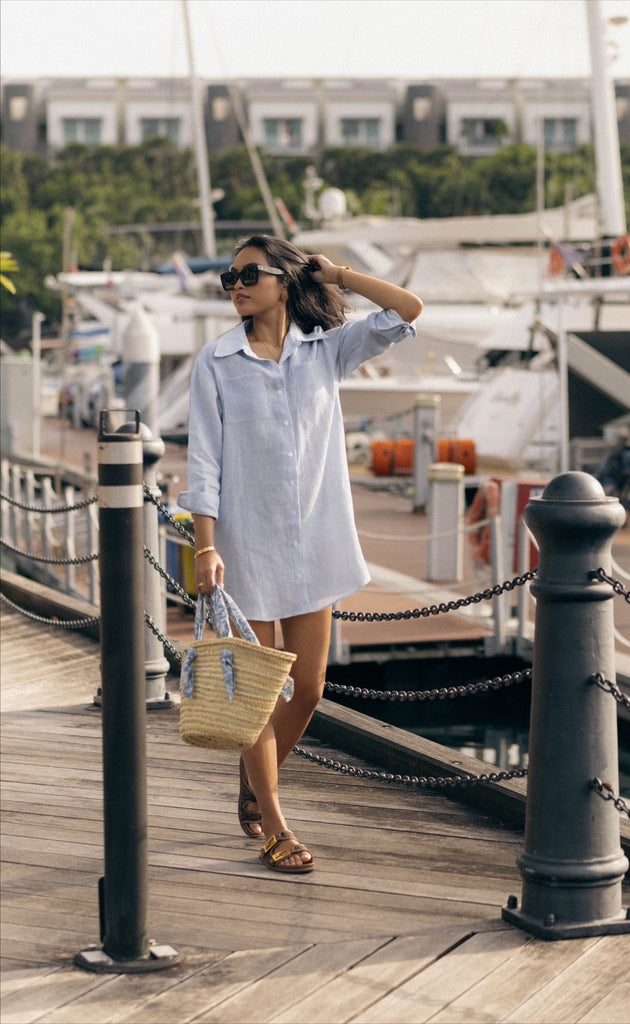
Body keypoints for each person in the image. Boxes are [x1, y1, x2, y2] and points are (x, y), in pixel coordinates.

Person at [178, 234, 422, 874]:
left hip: (316, 543)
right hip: (244, 546)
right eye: (228, 277)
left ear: (284, 280)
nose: (235, 284)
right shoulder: (217, 361)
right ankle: (275, 825)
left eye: (248, 273)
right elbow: (202, 462)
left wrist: (339, 272)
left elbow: (408, 310)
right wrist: (205, 546)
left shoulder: (326, 352)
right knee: (259, 695)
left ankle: (254, 780)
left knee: (309, 689)